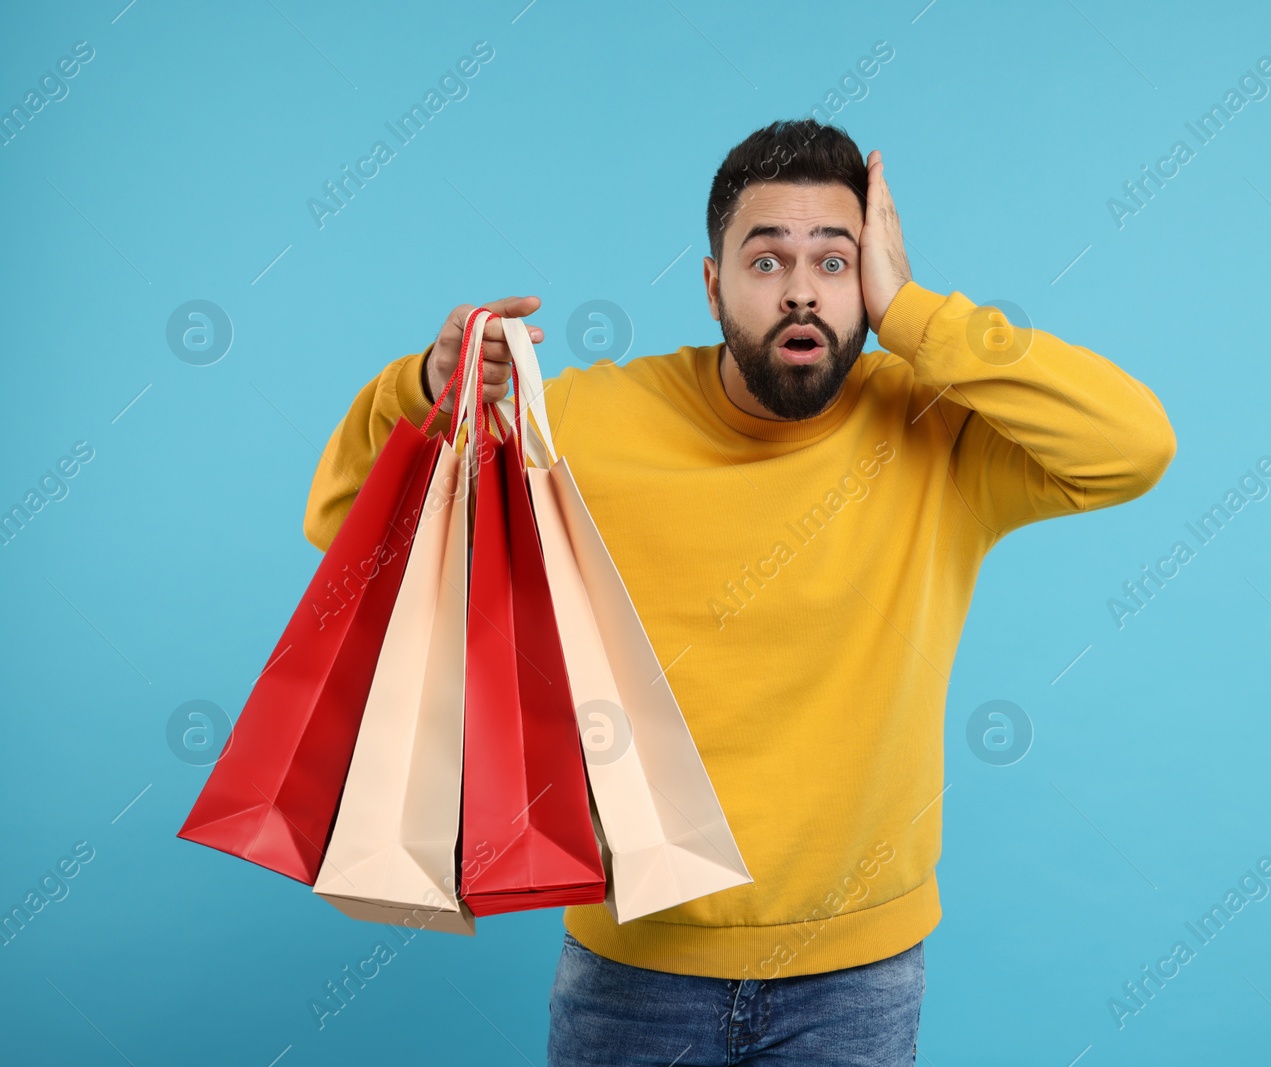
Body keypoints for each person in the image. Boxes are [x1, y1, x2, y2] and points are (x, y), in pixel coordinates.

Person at [304, 117, 1177, 1065]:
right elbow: (353, 529)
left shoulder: (937, 432)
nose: (801, 289)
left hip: (858, 981)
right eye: (767, 262)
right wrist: (424, 388)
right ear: (714, 285)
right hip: (631, 977)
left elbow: (1132, 446)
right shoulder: (589, 426)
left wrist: (916, 312)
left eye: (835, 263)